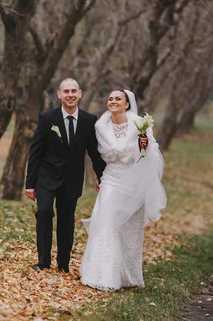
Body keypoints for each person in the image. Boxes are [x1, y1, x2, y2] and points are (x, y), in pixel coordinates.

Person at [79, 89, 167, 291]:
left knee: (129, 231)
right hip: (110, 179)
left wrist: (144, 147)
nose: (113, 101)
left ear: (127, 104)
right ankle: (100, 274)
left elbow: (149, 155)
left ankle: (127, 276)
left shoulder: (139, 124)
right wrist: (97, 176)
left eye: (118, 99)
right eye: (110, 98)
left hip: (133, 181)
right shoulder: (101, 126)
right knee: (106, 222)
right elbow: (97, 155)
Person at [25, 78, 106, 273]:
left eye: (73, 91)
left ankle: (63, 264)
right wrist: (30, 183)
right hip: (46, 177)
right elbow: (35, 152)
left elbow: (94, 153)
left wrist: (102, 177)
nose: (70, 95)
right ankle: (43, 262)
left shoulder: (89, 121)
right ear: (59, 95)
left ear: (79, 94)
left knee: (66, 220)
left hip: (71, 179)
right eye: (66, 91)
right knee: (44, 212)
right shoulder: (47, 119)